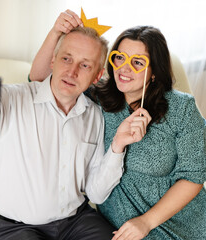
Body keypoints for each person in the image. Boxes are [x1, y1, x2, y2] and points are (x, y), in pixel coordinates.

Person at [0, 26, 151, 240]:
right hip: (14, 228)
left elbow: (95, 192)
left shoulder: (94, 115)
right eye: (66, 59)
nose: (72, 71)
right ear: (53, 60)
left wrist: (117, 147)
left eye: (85, 65)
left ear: (97, 75)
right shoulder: (13, 98)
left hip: (75, 221)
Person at [30, 9, 206, 240]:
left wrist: (145, 222)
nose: (125, 68)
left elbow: (193, 176)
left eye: (138, 62)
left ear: (154, 71)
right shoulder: (96, 97)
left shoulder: (181, 108)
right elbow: (39, 81)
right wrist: (55, 33)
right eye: (120, 57)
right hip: (116, 227)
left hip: (177, 223)